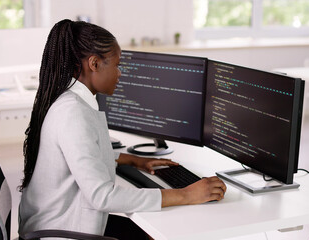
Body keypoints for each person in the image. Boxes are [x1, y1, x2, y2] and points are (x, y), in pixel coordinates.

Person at [18, 19, 227, 239]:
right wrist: (184, 195)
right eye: (116, 65)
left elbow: (83, 151)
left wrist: (132, 160)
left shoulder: (70, 99)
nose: (120, 73)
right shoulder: (72, 113)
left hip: (61, 219)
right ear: (94, 64)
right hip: (61, 230)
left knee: (150, 230)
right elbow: (102, 197)